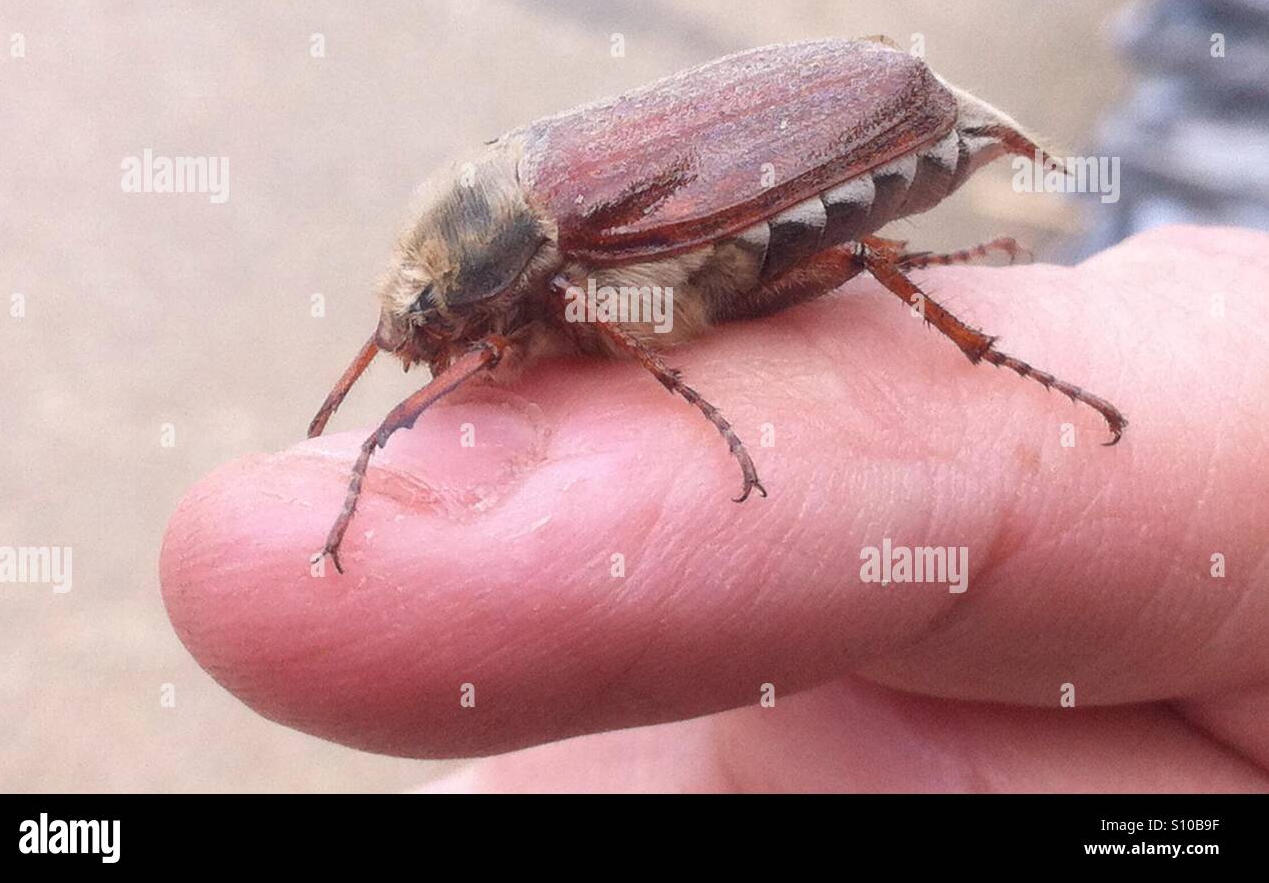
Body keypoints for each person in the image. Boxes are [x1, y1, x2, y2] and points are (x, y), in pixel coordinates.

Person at [160, 226, 1269, 792]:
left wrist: (678, 387)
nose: (433, 350)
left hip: (817, 170)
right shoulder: (525, 266)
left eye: (439, 322)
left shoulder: (571, 272)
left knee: (830, 263)